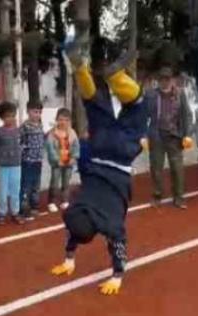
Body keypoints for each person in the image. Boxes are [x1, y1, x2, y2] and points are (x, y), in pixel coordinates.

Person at [50, 27, 149, 295]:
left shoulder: (108, 222)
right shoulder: (77, 209)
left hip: (119, 157)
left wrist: (117, 275)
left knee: (139, 104)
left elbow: (118, 244)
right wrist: (67, 258)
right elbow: (71, 231)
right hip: (98, 150)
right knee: (92, 101)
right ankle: (83, 67)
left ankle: (116, 76)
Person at [143, 67, 195, 209]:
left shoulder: (180, 94)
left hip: (174, 136)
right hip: (157, 135)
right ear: (158, 81)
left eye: (167, 79)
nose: (164, 82)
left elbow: (187, 115)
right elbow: (142, 116)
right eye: (161, 79)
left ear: (172, 80)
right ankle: (157, 195)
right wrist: (143, 135)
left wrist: (188, 135)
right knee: (156, 168)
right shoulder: (151, 95)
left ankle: (179, 198)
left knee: (177, 169)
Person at [0, 101, 25, 225]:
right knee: (2, 191)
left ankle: (15, 212)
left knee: (15, 190)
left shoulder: (19, 131)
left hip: (16, 165)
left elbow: (22, 144)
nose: (10, 119)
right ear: (1, 117)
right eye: (7, 116)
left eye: (12, 115)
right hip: (3, 166)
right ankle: (1, 213)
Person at [45, 108, 80, 213]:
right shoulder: (52, 133)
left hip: (68, 163)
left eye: (65, 120)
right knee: (54, 182)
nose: (63, 122)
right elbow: (50, 148)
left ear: (69, 121)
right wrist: (56, 160)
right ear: (56, 120)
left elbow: (76, 147)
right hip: (57, 163)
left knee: (66, 182)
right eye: (60, 119)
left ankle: (65, 200)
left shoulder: (72, 133)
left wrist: (74, 157)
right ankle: (51, 201)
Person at [19, 101, 45, 221]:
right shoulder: (24, 126)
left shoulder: (40, 125)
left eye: (39, 112)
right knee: (26, 185)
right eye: (35, 112)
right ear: (28, 111)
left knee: (36, 185)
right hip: (28, 161)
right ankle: (24, 209)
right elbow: (19, 142)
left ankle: (34, 205)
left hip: (38, 160)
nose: (37, 114)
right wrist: (23, 153)